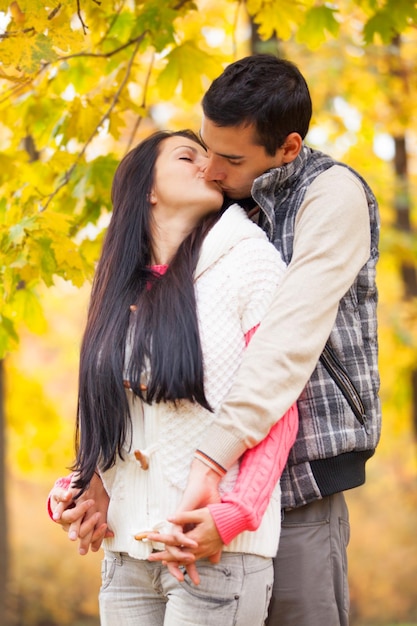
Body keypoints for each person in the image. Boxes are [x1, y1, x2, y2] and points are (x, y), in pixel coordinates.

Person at [51, 54, 381, 625]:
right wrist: (99, 478)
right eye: (204, 148)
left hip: (302, 476)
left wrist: (212, 470)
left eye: (228, 158)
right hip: (208, 486)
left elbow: (287, 345)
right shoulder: (222, 207)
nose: (211, 169)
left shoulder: (331, 198)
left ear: (288, 148)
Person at [48, 128, 299, 626]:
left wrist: (234, 516)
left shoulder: (250, 261)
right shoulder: (118, 292)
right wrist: (75, 494)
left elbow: (280, 408)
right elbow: (115, 420)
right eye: (189, 156)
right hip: (125, 560)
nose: (207, 166)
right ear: (148, 189)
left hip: (214, 555)